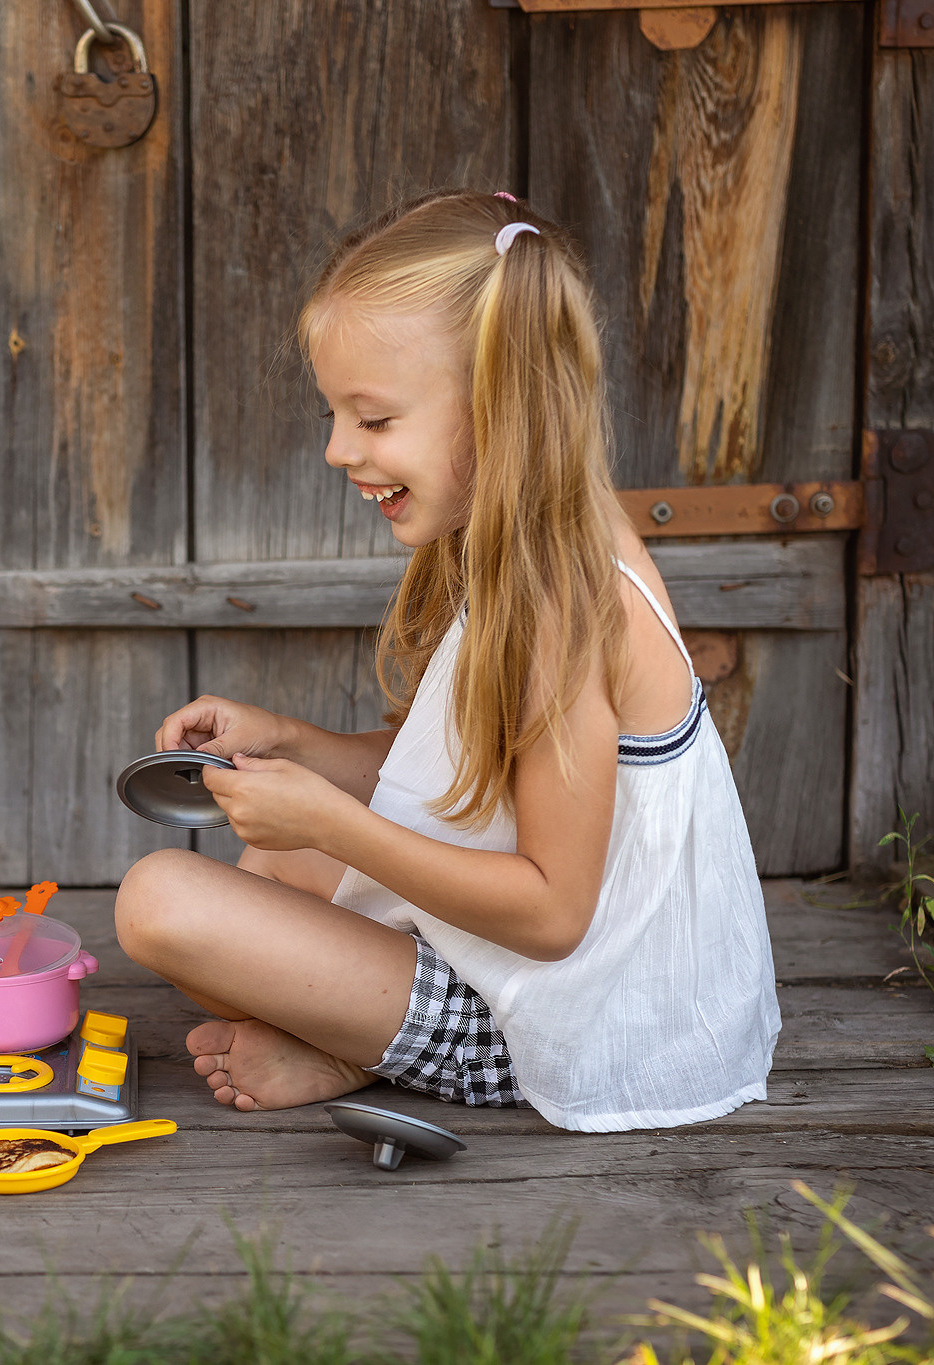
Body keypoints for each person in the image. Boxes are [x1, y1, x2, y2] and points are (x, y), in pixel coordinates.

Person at [113, 190, 779, 1133]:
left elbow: (554, 914)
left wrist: (337, 826)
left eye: (374, 420)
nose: (338, 449)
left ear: (498, 408)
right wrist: (294, 746)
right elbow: (470, 780)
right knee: (270, 853)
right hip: (535, 963)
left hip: (585, 1017)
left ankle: (365, 1048)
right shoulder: (522, 536)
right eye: (335, 414)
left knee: (160, 900)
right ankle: (352, 1031)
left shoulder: (563, 602)